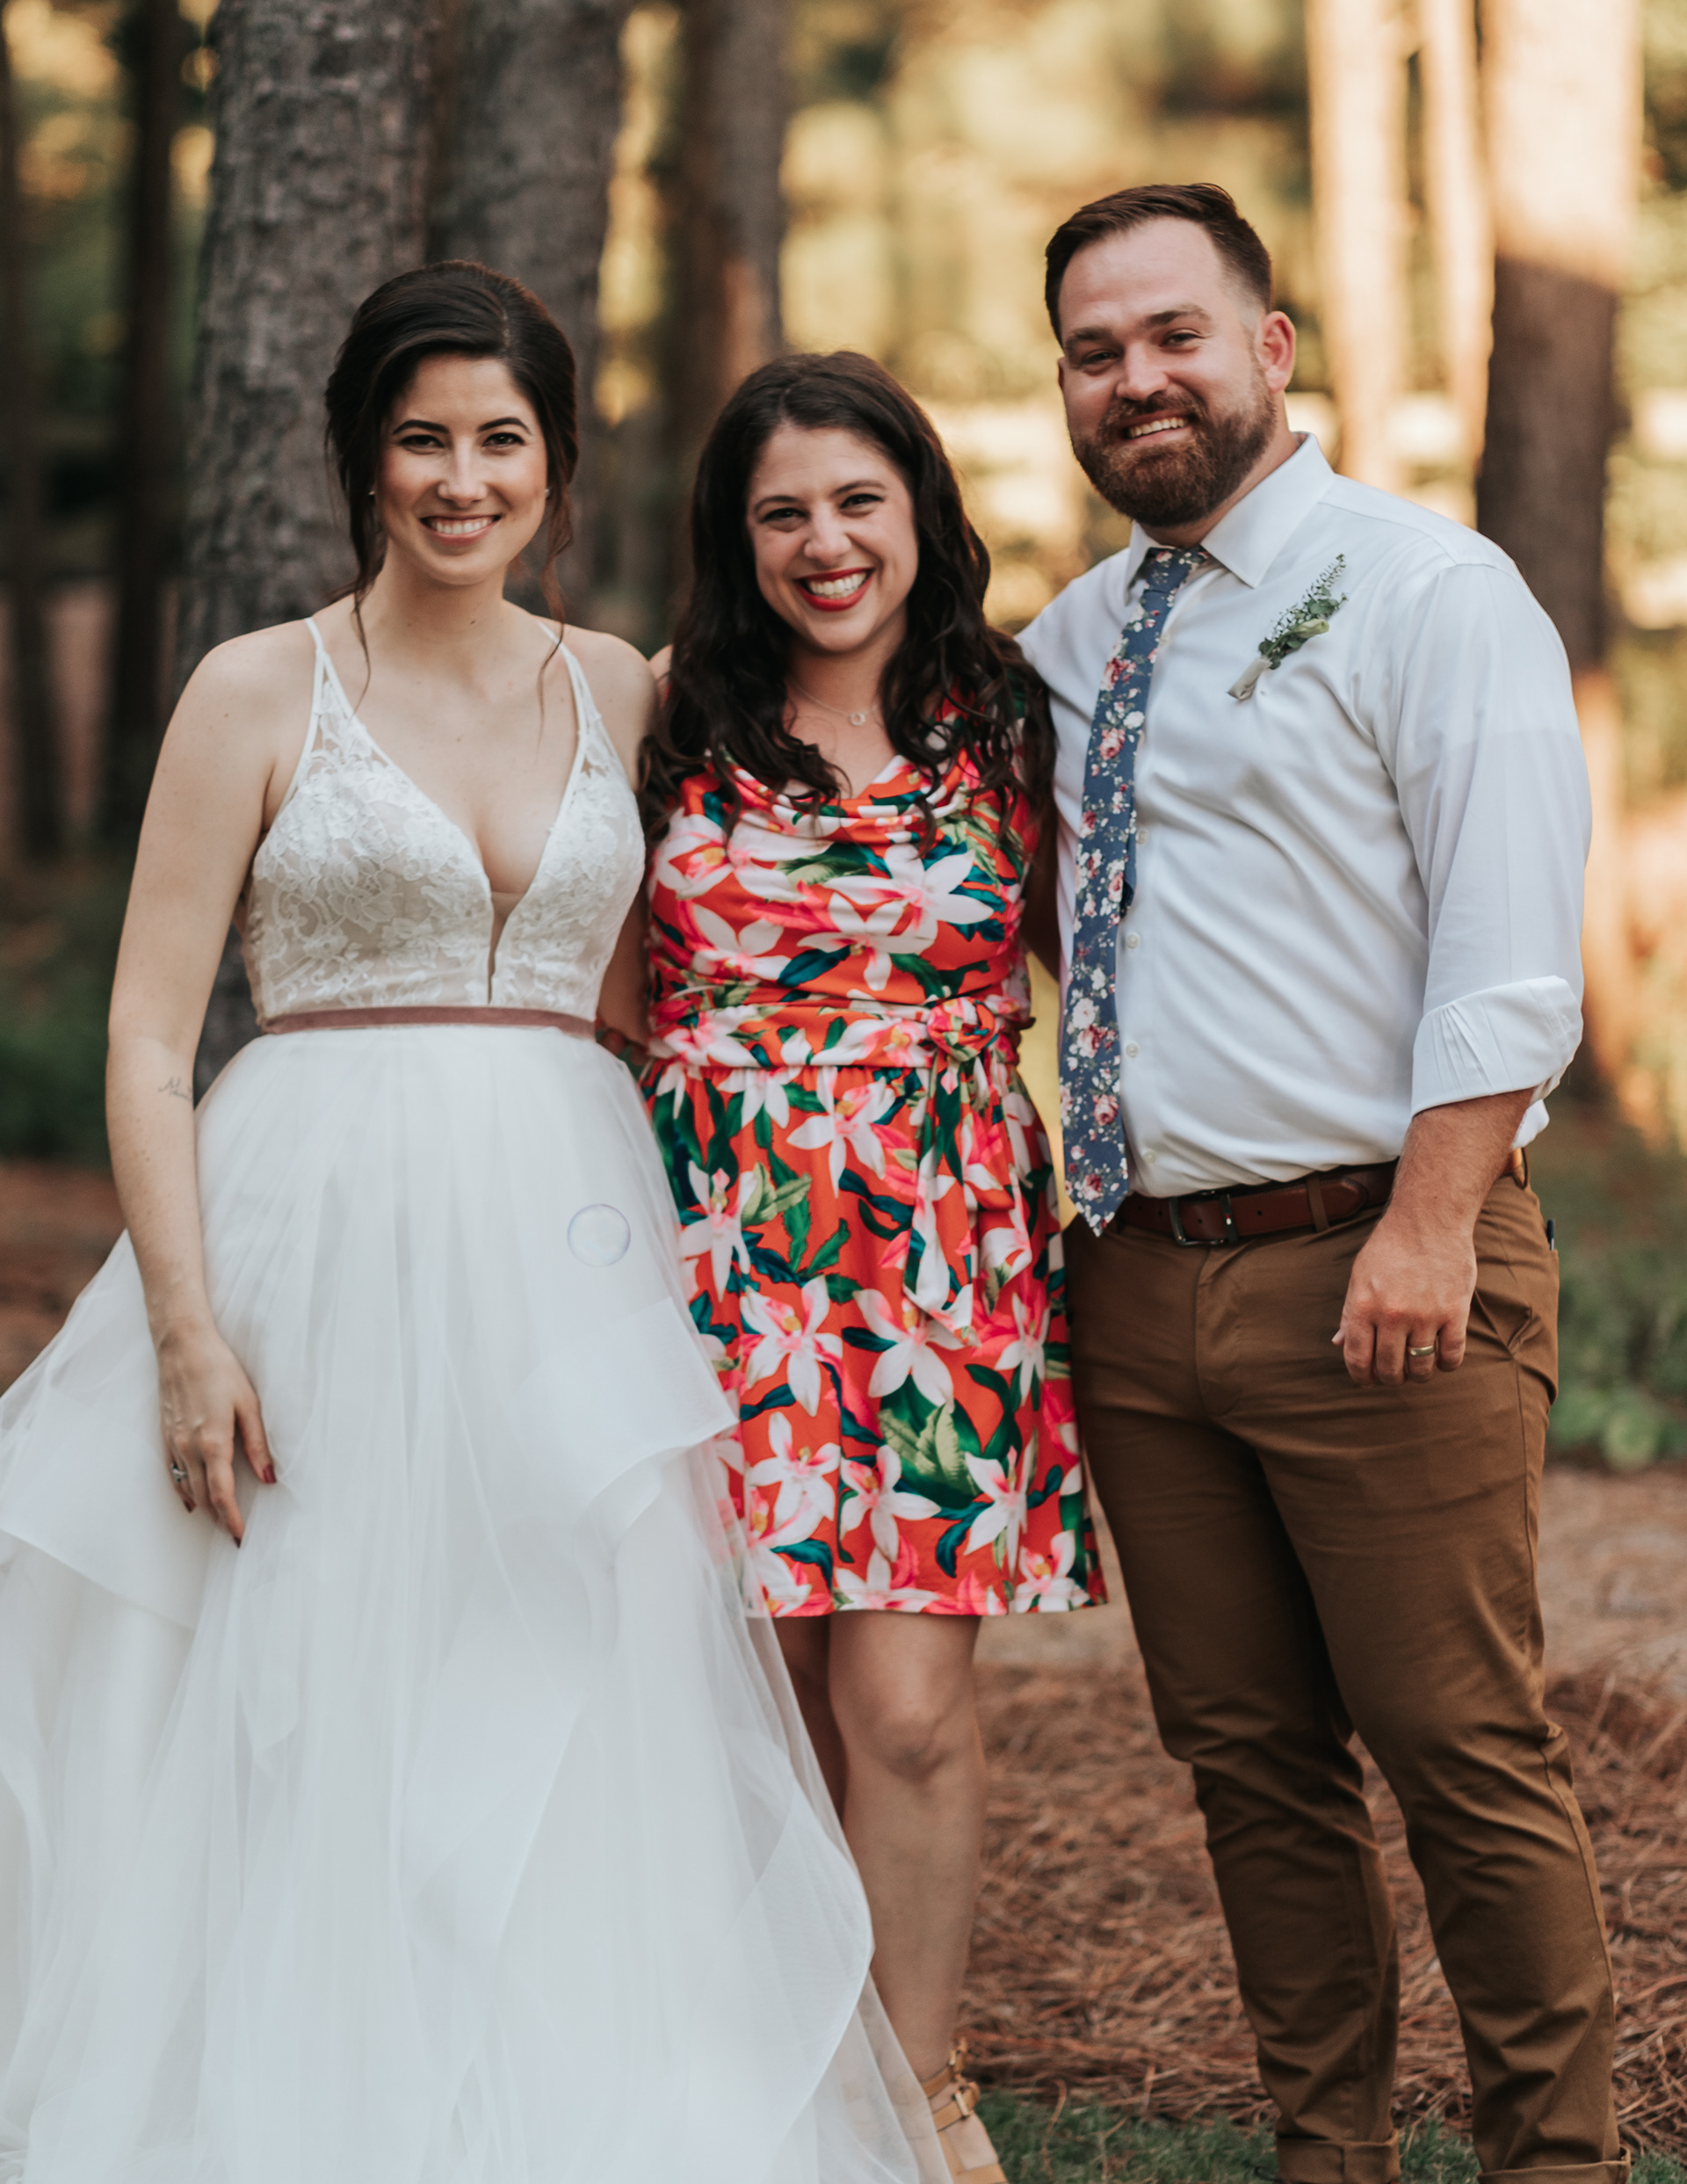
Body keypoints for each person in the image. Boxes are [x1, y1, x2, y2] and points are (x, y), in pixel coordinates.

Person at [0, 263, 943, 2184]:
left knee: (572, 1658)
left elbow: (697, 971)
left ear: (555, 465)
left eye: (500, 439)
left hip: (566, 1239)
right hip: (313, 1230)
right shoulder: (256, 686)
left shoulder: (625, 688)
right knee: (321, 1656)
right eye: (421, 438)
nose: (460, 477)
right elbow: (149, 1035)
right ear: (363, 457)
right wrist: (185, 1328)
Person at [1018, 185, 1622, 2184]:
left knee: (1462, 1747)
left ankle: (1556, 2163)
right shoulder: (1070, 646)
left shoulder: (1426, 589)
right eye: (1096, 352)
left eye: (1174, 334)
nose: (1138, 380)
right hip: (1138, 1279)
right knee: (1249, 1762)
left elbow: (1512, 951)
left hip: (1384, 1255)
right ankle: (1326, 2154)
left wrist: (1431, 1226)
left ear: (1271, 346)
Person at [626, 351, 1105, 2184]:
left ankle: (919, 2087)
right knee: (753, 1707)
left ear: (920, 511)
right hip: (713, 1261)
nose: (823, 543)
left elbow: (1099, 970)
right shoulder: (666, 716)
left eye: (856, 501)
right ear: (734, 538)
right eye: (782, 514)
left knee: (901, 1712)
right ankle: (765, 2080)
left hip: (936, 1267)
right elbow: (603, 1000)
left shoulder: (1013, 726)